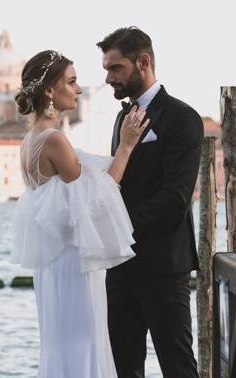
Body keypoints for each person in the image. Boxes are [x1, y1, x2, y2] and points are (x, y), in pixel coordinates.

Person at [10, 50, 149, 378]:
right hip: (73, 262)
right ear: (49, 90)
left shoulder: (30, 140)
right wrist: (126, 146)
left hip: (54, 263)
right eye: (71, 82)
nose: (79, 89)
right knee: (84, 339)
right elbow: (98, 198)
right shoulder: (55, 140)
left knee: (61, 341)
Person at [97, 27, 203, 377]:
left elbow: (175, 198)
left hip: (162, 266)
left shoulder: (182, 118)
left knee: (178, 368)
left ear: (143, 62)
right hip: (119, 267)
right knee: (123, 368)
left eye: (116, 68)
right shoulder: (120, 118)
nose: (108, 78)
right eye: (107, 69)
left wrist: (117, 225)